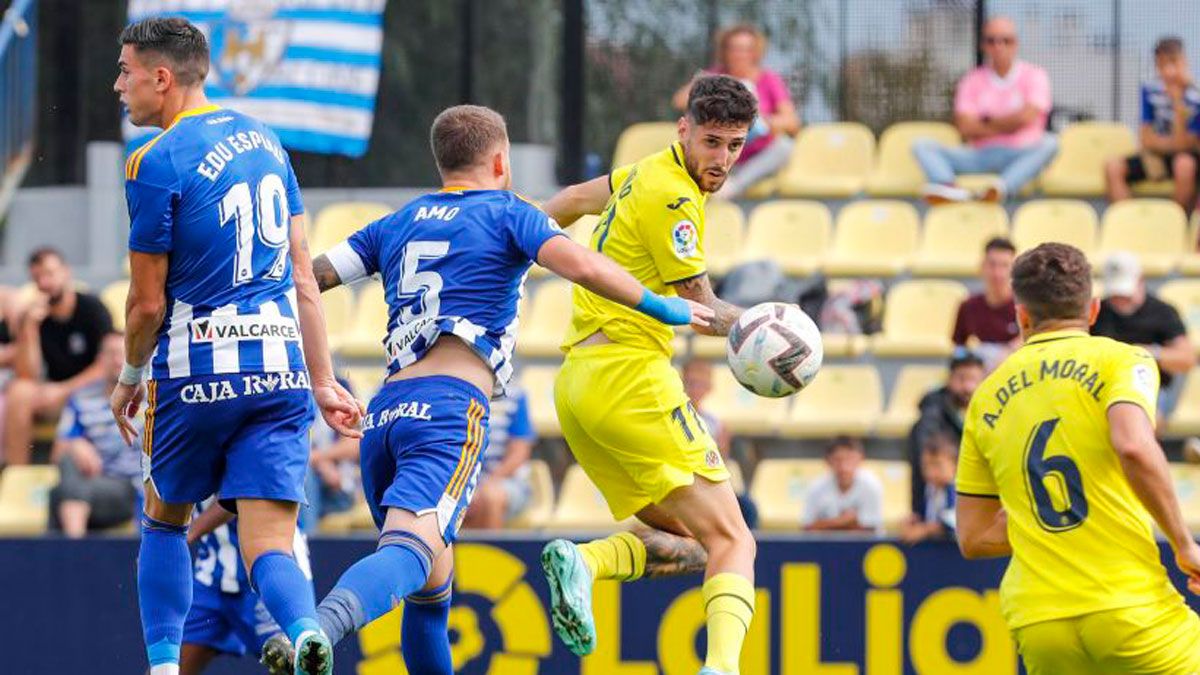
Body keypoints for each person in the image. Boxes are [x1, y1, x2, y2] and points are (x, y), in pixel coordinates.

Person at [289, 104, 710, 674]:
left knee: (432, 587)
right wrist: (667, 307)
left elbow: (310, 278)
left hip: (384, 417)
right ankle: (319, 628)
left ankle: (326, 626)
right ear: (499, 160)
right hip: (447, 411)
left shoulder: (396, 221)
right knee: (411, 554)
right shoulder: (508, 211)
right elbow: (582, 266)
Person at [111, 18, 360, 675]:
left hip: (196, 370)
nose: (118, 85)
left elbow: (145, 303)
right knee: (272, 538)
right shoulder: (268, 141)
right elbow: (304, 273)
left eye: (125, 71)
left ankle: (163, 667)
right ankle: (306, 629)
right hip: (280, 368)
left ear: (161, 78)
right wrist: (325, 379)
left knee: (164, 521)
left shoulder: (153, 159)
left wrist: (130, 372)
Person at [540, 75, 760, 675]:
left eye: (736, 145)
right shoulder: (675, 196)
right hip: (631, 377)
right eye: (712, 142)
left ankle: (587, 564)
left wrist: (510, 244)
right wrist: (775, 325)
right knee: (736, 541)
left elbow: (570, 201)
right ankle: (721, 669)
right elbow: (704, 309)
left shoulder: (642, 171)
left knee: (695, 544)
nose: (721, 160)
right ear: (683, 130)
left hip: (580, 384)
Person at [956, 242, 1200, 674]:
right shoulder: (1122, 361)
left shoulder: (986, 397)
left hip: (1039, 621)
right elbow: (1132, 445)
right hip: (1129, 608)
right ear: (1092, 310)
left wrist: (1042, 527)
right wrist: (1184, 544)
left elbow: (973, 537)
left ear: (1022, 315)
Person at [914, 16, 1057, 204]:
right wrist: (1010, 124)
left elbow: (1027, 117)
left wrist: (986, 121)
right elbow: (965, 127)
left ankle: (1000, 188)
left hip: (1020, 153)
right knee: (922, 145)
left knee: (1050, 143)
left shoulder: (1035, 75)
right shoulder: (971, 79)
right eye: (992, 40)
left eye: (1006, 40)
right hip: (979, 155)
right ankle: (949, 188)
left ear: (1016, 44)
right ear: (984, 45)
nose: (999, 46)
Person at [6, 248, 114, 465]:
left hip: (94, 391)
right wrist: (29, 329)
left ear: (66, 273)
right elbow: (27, 373)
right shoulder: (35, 317)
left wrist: (63, 390)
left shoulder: (92, 308)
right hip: (55, 394)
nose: (45, 282)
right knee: (19, 392)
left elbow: (107, 364)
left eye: (49, 274)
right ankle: (17, 475)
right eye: (38, 278)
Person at [181, 501, 312, 675]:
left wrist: (182, 535)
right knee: (168, 667)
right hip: (212, 571)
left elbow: (238, 493)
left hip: (270, 567)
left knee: (296, 664)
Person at [671, 24, 799, 199]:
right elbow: (679, 100)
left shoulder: (769, 79)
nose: (740, 54)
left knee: (785, 147)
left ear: (755, 52)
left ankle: (730, 187)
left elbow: (792, 123)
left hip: (756, 155)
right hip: (718, 151)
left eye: (746, 49)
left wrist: (761, 120)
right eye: (735, 49)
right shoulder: (714, 76)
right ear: (725, 51)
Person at [48, 332, 142, 538]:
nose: (118, 360)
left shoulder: (150, 398)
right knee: (67, 465)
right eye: (111, 354)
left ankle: (71, 555)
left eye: (123, 354)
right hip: (96, 482)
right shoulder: (81, 399)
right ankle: (76, 548)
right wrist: (75, 444)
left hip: (132, 489)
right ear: (100, 360)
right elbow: (57, 455)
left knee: (59, 495)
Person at [1091, 251, 1195, 423]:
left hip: (1151, 385)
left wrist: (1146, 353)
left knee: (1142, 419)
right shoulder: (1098, 311)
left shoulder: (1163, 312)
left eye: (1125, 294)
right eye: (1115, 294)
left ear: (1140, 281)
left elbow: (1186, 358)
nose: (1120, 300)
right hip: (1104, 383)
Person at [1106, 37, 1200, 213]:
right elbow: (1146, 140)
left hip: (1184, 160)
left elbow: (1185, 146)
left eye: (1173, 63)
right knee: (1113, 166)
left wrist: (1177, 101)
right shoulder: (1150, 91)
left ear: (1184, 62)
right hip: (1155, 157)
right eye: (1162, 65)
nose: (1168, 71)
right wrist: (1169, 145)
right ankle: (1130, 223)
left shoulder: (1195, 97)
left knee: (1184, 164)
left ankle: (1173, 223)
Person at [682, 357, 757, 528]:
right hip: (685, 485)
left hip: (708, 485)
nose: (695, 389)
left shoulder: (715, 423)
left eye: (701, 383)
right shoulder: (675, 417)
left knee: (747, 508)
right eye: (691, 383)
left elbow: (719, 462)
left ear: (709, 388)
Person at [907, 348, 985, 513]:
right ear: (949, 379)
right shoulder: (931, 415)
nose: (968, 387)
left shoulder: (989, 411)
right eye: (961, 378)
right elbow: (926, 469)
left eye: (974, 379)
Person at [462, 386, 536, 529]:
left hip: (505, 481)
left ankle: (488, 550)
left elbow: (519, 454)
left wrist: (482, 487)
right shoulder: (460, 394)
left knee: (491, 498)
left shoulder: (515, 396)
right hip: (463, 481)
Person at [952, 237, 1020, 368]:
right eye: (992, 264)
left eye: (1004, 265)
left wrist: (1010, 349)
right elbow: (958, 347)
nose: (997, 273)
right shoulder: (968, 306)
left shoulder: (1025, 306)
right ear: (982, 266)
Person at [802, 436, 883, 533]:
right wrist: (844, 521)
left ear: (861, 459)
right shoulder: (816, 487)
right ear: (827, 461)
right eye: (837, 460)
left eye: (849, 459)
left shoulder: (871, 485)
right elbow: (807, 528)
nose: (844, 466)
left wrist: (825, 525)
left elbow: (869, 530)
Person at [899, 433, 957, 545]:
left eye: (937, 465)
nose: (930, 472)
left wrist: (925, 530)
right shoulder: (926, 490)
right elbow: (923, 516)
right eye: (926, 466)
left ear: (954, 465)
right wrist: (913, 522)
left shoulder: (958, 491)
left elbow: (953, 522)